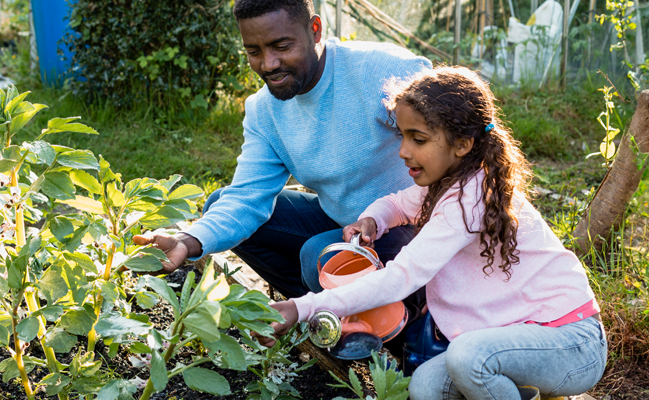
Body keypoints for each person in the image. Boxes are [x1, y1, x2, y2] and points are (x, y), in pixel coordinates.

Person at [260, 66, 607, 399]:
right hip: (515, 335)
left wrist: (302, 307)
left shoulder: (471, 199)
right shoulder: (447, 183)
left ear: (462, 144)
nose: (403, 151)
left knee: (468, 358)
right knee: (425, 387)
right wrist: (371, 220)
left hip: (570, 341)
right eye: (403, 136)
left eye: (419, 139)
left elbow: (401, 277)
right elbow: (398, 204)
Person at [133, 0, 431, 305]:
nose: (269, 63)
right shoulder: (265, 111)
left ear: (314, 30)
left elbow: (462, 136)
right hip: (343, 223)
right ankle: (316, 314)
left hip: (411, 224)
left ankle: (399, 333)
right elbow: (246, 198)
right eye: (254, 51)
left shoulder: (384, 73)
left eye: (281, 46)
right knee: (219, 205)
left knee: (319, 255)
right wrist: (187, 240)